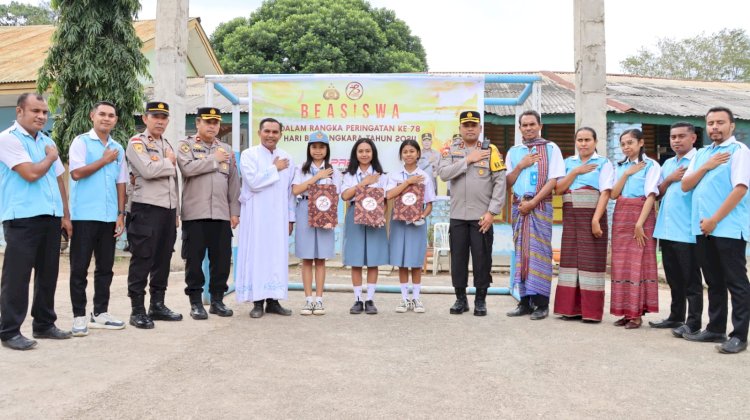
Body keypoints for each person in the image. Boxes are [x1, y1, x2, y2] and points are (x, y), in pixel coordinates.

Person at [0, 93, 73, 350]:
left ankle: (44, 324)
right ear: (20, 111)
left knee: (48, 274)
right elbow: (31, 173)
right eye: (35, 111)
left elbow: (58, 180)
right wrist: (52, 157)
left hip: (50, 217)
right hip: (22, 218)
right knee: (17, 277)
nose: (42, 116)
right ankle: (9, 331)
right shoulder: (8, 139)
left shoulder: (46, 141)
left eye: (44, 112)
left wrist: (65, 215)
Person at [681, 107, 750, 354]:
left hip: (727, 228)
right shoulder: (702, 155)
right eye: (710, 123)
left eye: (720, 122)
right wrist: (707, 166)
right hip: (702, 229)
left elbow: (740, 189)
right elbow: (686, 185)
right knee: (714, 281)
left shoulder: (739, 152)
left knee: (736, 282)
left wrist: (714, 220)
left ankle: (739, 335)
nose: (714, 128)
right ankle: (716, 329)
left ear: (732, 125)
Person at [67, 101, 128, 336]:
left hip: (108, 217)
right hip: (84, 216)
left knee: (106, 268)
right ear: (92, 116)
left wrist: (120, 214)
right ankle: (79, 316)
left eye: (111, 115)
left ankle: (100, 313)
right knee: (79, 268)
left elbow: (120, 182)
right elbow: (76, 173)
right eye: (102, 114)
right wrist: (103, 160)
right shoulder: (81, 142)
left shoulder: (118, 147)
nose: (106, 118)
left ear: (116, 120)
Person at [437, 111, 506, 316]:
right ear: (460, 128)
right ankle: (460, 299)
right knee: (458, 259)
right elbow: (443, 174)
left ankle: (480, 300)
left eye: (473, 125)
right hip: (458, 215)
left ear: (480, 128)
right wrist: (468, 160)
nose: (469, 128)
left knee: (481, 259)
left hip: (481, 217)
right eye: (465, 125)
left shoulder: (491, 150)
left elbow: (500, 182)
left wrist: (492, 212)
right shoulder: (451, 149)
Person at [177, 107, 240, 320]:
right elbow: (187, 169)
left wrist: (235, 211)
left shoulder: (227, 149)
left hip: (221, 214)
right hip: (195, 213)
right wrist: (214, 159)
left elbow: (233, 182)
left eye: (215, 122)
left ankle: (217, 301)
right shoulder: (186, 146)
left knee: (221, 260)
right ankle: (196, 302)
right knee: (194, 261)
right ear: (198, 123)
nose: (212, 126)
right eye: (208, 121)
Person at [125, 101, 182, 329]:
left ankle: (157, 305)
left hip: (167, 211)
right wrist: (168, 162)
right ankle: (137, 310)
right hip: (146, 209)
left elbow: (173, 181)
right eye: (155, 116)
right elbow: (148, 171)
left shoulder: (166, 143)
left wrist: (176, 211)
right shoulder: (137, 142)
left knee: (163, 258)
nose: (160, 121)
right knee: (143, 258)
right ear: (145, 119)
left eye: (163, 117)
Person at [505, 110, 564, 320]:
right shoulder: (514, 151)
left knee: (540, 253)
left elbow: (553, 180)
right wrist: (521, 165)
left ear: (540, 125)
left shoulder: (550, 148)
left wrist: (533, 202)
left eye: (532, 124)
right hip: (519, 208)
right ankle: (524, 302)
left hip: (540, 207)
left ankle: (541, 303)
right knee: (522, 253)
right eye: (524, 125)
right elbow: (508, 182)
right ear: (519, 128)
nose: (528, 128)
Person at [552, 127, 613, 322]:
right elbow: (559, 189)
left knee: (591, 263)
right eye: (580, 140)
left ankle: (591, 312)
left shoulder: (603, 163)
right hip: (571, 218)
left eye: (587, 140)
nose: (583, 143)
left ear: (595, 142)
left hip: (592, 216)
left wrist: (595, 219)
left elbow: (605, 192)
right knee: (570, 262)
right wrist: (576, 171)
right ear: (575, 142)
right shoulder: (568, 163)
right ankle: (569, 310)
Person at [236, 118, 295, 318]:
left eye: (275, 132)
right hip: (257, 215)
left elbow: (289, 192)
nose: (271, 135)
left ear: (280, 134)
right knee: (257, 255)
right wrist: (275, 168)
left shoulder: (287, 157)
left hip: (279, 216)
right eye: (267, 131)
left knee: (276, 256)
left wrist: (290, 218)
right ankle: (257, 302)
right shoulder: (248, 154)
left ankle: (273, 300)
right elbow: (253, 182)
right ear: (260, 132)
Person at [651, 122, 703, 337]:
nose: (676, 140)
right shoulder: (668, 164)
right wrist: (670, 179)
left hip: (687, 231)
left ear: (693, 138)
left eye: (682, 136)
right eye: (673, 137)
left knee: (691, 279)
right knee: (673, 277)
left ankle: (693, 322)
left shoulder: (699, 161)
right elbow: (657, 193)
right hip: (666, 229)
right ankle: (675, 316)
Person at [609, 128, 660, 329]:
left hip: (642, 216)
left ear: (640, 143)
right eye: (623, 144)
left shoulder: (651, 165)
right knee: (621, 264)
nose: (626, 147)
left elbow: (651, 196)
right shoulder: (621, 166)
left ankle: (636, 315)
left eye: (630, 142)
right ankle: (624, 312)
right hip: (621, 216)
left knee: (638, 264)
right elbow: (613, 194)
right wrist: (627, 173)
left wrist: (639, 223)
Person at [291, 130, 342, 316]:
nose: (318, 151)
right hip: (305, 209)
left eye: (322, 147)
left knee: (320, 259)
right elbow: (296, 190)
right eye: (314, 147)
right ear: (309, 148)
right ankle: (307, 300)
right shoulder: (301, 168)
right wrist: (317, 177)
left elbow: (336, 194)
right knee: (306, 258)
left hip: (325, 212)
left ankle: (319, 300)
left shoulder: (334, 170)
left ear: (327, 149)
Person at [386, 139, 436, 313]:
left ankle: (416, 298)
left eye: (412, 151)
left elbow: (429, 203)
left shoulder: (425, 177)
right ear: (401, 155)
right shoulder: (395, 175)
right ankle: (404, 299)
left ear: (418, 154)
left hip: (417, 224)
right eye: (405, 151)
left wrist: (421, 215)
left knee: (415, 261)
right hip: (399, 222)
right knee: (401, 260)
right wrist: (408, 182)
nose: (408, 154)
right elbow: (389, 195)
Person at [341, 138, 389, 315]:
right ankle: (357, 299)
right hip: (355, 215)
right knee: (356, 259)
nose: (364, 154)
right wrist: (364, 182)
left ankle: (369, 299)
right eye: (360, 151)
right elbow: (345, 196)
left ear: (373, 153)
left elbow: (384, 200)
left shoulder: (381, 175)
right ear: (355, 153)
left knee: (373, 259)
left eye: (368, 151)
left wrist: (380, 215)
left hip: (375, 217)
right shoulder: (349, 175)